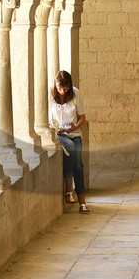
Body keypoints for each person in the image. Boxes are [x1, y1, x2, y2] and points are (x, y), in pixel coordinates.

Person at [49, 70, 90, 213]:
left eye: (65, 89)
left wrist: (72, 129)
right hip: (59, 132)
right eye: (59, 88)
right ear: (56, 85)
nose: (62, 91)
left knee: (78, 164)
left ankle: (82, 201)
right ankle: (68, 191)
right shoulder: (50, 93)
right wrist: (59, 130)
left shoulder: (75, 93)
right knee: (70, 148)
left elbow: (82, 118)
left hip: (73, 132)